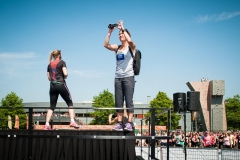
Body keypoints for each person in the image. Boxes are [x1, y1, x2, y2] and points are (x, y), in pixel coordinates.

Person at [104, 20, 136, 131]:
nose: (120, 35)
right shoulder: (117, 48)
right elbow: (105, 44)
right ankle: (119, 123)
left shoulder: (131, 47)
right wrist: (109, 32)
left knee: (128, 101)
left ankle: (129, 124)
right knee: (118, 101)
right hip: (118, 78)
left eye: (122, 33)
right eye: (119, 34)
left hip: (128, 77)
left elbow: (130, 41)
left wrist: (122, 28)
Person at [44, 50, 79, 130]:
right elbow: (65, 73)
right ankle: (72, 121)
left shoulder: (49, 65)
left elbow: (49, 78)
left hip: (52, 86)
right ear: (59, 55)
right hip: (61, 84)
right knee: (70, 103)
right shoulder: (62, 62)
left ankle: (46, 124)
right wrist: (64, 76)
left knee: (52, 106)